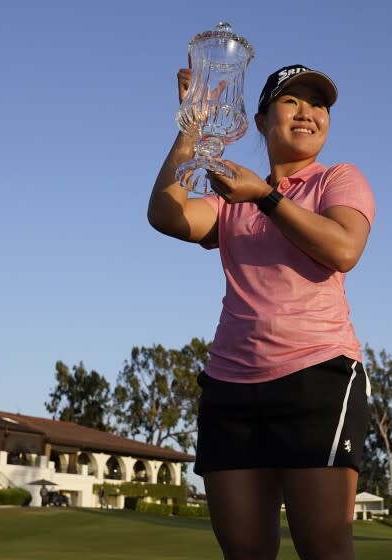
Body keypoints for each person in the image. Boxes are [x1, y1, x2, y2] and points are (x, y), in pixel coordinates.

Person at [148, 63, 375, 560]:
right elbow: (166, 215)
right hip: (230, 388)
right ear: (260, 120)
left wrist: (267, 197)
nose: (308, 113)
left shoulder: (338, 179)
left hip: (317, 376)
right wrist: (190, 129)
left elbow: (342, 250)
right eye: (292, 101)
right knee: (244, 550)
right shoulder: (232, 200)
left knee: (324, 547)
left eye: (318, 104)